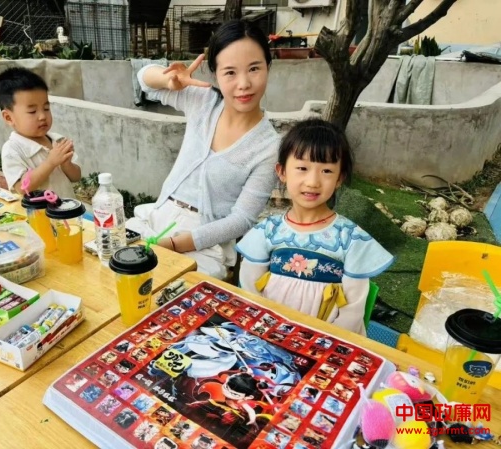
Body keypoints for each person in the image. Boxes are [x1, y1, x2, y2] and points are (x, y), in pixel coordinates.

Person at [126, 20, 281, 279]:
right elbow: (144, 79)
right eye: (230, 72)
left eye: (254, 68)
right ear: (215, 74)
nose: (244, 83)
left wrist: (175, 245)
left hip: (204, 244)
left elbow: (241, 219)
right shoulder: (204, 101)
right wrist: (168, 80)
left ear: (268, 67)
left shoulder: (269, 147)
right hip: (156, 219)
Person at [236, 119, 394, 335]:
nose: (312, 182)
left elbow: (352, 312)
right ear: (282, 172)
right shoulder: (267, 231)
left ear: (340, 178)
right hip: (268, 334)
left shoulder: (350, 238)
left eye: (327, 171)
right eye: (302, 168)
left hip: (325, 341)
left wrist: (321, 343)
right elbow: (250, 291)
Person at [0, 67, 81, 198]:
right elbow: (22, 187)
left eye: (46, 108)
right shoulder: (12, 150)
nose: (42, 116)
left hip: (67, 208)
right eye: (32, 111)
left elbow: (76, 177)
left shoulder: (58, 140)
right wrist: (50, 162)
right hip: (40, 211)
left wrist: (66, 164)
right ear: (9, 117)